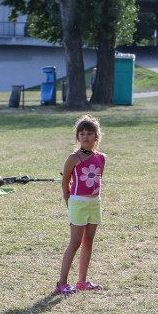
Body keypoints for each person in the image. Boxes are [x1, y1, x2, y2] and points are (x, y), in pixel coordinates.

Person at [56, 115, 106, 295]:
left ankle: (82, 282)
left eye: (90, 133)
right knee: (75, 242)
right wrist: (67, 197)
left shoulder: (101, 158)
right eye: (82, 133)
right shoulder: (73, 158)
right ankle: (61, 283)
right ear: (78, 137)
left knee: (88, 241)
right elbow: (66, 181)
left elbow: (99, 179)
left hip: (94, 203)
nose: (85, 137)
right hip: (78, 203)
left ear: (96, 137)